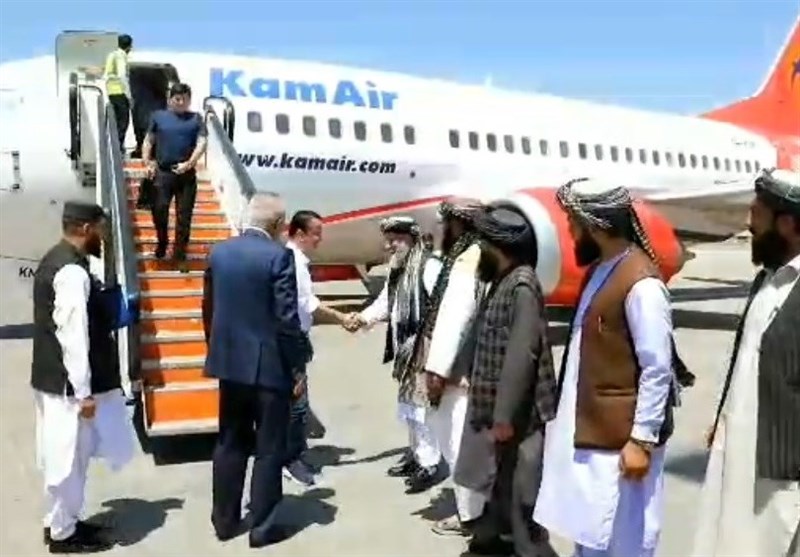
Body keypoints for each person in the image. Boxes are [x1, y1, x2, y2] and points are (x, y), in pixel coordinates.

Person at [533, 178, 676, 557]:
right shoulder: (602, 270)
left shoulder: (641, 284)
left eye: (573, 223)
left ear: (594, 226)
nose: (570, 231)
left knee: (625, 537)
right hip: (592, 435)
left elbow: (657, 368)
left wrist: (641, 440)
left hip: (621, 442)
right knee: (591, 531)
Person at [691, 169, 800, 557]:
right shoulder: (766, 280)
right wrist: (724, 415)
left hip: (783, 466)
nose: (748, 222)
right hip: (739, 452)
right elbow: (748, 357)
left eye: (757, 213)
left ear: (786, 224)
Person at [452, 206, 559, 557]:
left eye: (483, 242)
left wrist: (503, 416)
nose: (479, 248)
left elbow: (521, 356)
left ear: (498, 245)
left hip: (518, 414)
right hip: (499, 410)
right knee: (499, 484)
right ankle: (495, 543)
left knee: (520, 491)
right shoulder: (503, 279)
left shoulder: (522, 285)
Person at [202, 192, 306, 548]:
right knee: (268, 447)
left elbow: (208, 308)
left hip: (230, 364)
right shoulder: (279, 256)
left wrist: (218, 349)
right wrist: (298, 368)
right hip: (269, 368)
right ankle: (263, 527)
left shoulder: (219, 253)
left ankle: (224, 520)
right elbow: (287, 320)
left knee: (230, 442)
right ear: (277, 224)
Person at [32, 201, 135, 553]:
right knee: (69, 460)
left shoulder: (57, 259)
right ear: (86, 228)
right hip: (67, 389)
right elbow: (73, 335)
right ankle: (63, 534)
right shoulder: (72, 273)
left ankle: (61, 520)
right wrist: (83, 392)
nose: (103, 237)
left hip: (53, 381)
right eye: (101, 230)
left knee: (63, 456)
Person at [348, 216, 443, 494]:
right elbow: (386, 302)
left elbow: (441, 308)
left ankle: (430, 463)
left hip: (423, 350)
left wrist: (433, 351)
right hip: (405, 350)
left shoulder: (428, 266)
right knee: (410, 406)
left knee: (423, 408)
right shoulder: (399, 267)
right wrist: (362, 318)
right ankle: (417, 455)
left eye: (394, 240)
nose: (389, 246)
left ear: (411, 239)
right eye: (387, 241)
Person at [422, 197, 489, 535]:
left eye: (445, 224)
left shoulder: (468, 257)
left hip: (458, 371)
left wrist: (437, 371)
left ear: (458, 223)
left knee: (457, 442)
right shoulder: (480, 252)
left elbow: (453, 319)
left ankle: (470, 516)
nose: (442, 231)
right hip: (473, 366)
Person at [283, 209, 351, 486]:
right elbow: (308, 304)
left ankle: (296, 453)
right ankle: (291, 460)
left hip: (297, 338)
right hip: (293, 340)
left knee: (298, 401)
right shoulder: (294, 262)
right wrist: (343, 318)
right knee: (297, 406)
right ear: (300, 234)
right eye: (316, 234)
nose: (319, 240)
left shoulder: (294, 259)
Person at [141, 82, 208, 268]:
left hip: (186, 175)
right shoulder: (158, 117)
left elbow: (202, 143)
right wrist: (147, 162)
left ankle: (179, 254)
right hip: (163, 173)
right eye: (177, 99)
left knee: (184, 217)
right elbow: (148, 140)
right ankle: (162, 242)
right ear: (170, 99)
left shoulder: (196, 119)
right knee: (159, 210)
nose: (181, 102)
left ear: (189, 100)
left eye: (184, 99)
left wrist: (190, 163)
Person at [103, 34, 133, 152]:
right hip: (120, 91)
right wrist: (129, 96)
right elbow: (122, 76)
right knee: (123, 121)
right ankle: (118, 147)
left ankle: (114, 145)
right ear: (129, 46)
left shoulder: (112, 55)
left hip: (111, 91)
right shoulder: (121, 56)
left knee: (116, 121)